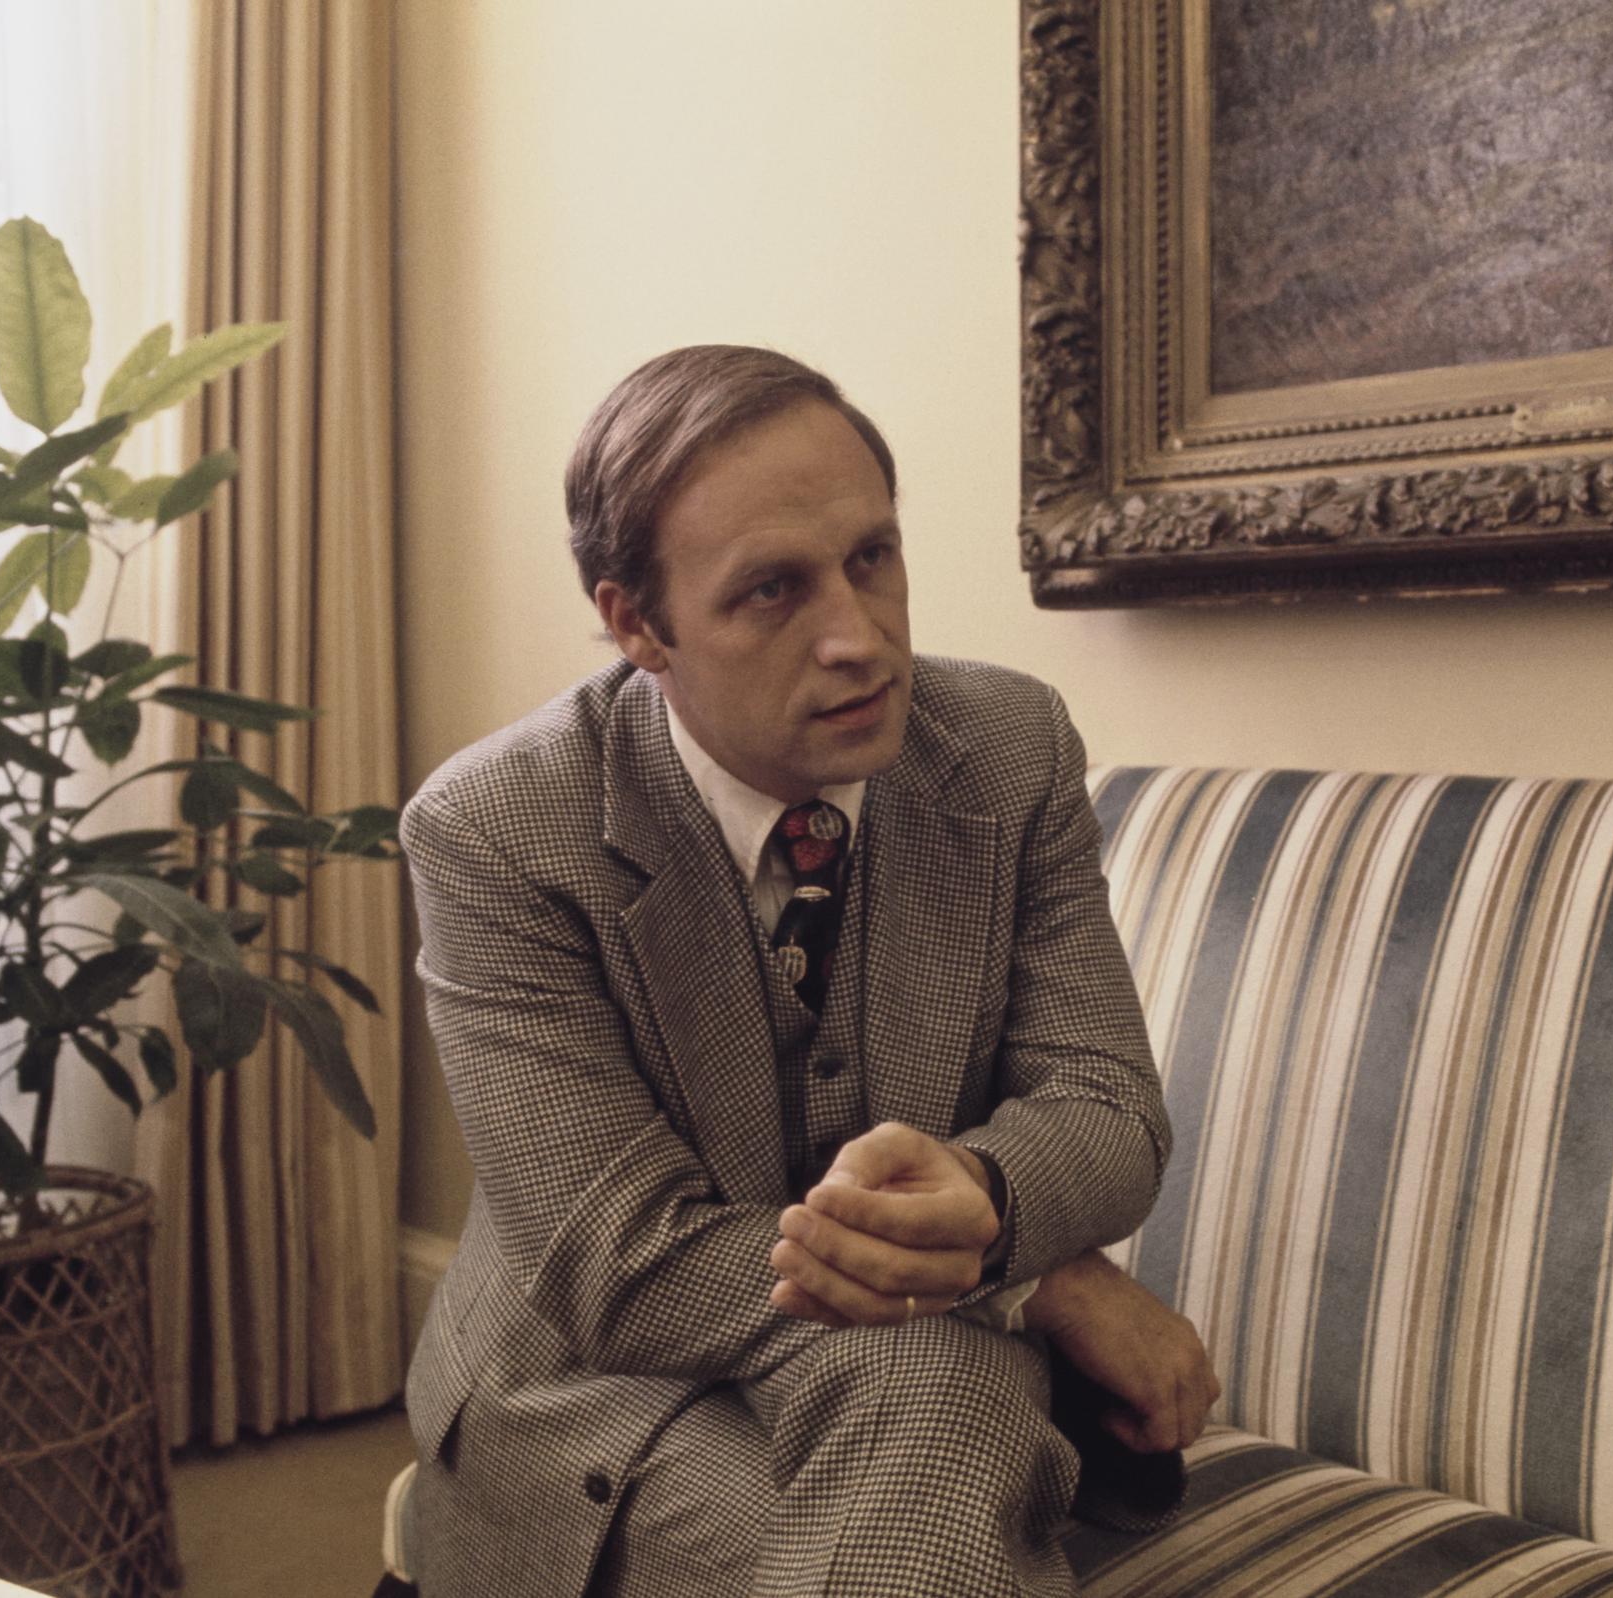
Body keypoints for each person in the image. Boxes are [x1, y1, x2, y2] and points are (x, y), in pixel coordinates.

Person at [402, 346, 1218, 1597]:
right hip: (600, 1395)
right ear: (639, 625)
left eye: (872, 558)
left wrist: (995, 1194)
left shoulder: (1010, 748)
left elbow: (1109, 1108)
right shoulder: (499, 829)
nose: (857, 636)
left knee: (934, 1418)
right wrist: (1025, 1284)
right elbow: (623, 1264)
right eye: (772, 591)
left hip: (877, 1368)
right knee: (952, 1414)